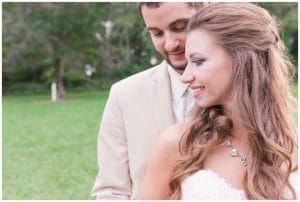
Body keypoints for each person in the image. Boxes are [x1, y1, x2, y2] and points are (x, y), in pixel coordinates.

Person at [137, 2, 298, 200]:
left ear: (242, 59)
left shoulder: (292, 143)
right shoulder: (179, 143)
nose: (185, 77)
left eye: (198, 61)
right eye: (188, 63)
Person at [91, 2, 203, 199]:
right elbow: (111, 191)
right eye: (157, 33)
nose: (170, 44)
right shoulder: (123, 94)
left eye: (180, 27)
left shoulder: (244, 90)